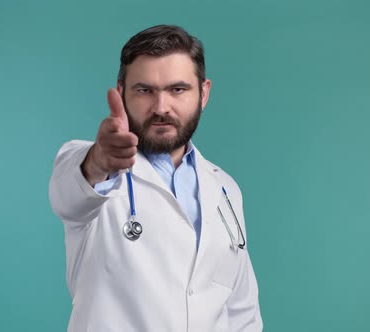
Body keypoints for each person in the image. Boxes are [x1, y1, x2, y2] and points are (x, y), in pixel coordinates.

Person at [49, 25, 263, 331]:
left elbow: (243, 311)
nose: (161, 108)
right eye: (145, 90)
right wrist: (98, 160)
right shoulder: (95, 170)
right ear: (121, 93)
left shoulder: (225, 189)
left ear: (203, 93)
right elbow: (68, 196)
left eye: (178, 89)